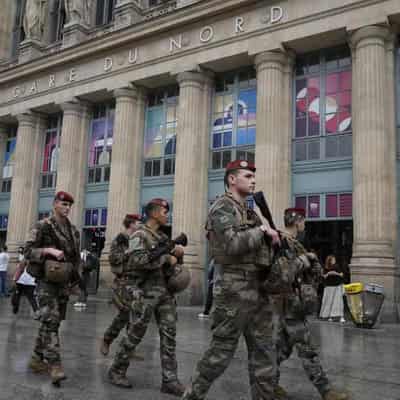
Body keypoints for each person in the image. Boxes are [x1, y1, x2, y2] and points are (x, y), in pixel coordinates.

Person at [182, 160, 280, 400]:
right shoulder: (222, 208)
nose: (253, 180)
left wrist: (276, 240)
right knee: (220, 353)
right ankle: (193, 395)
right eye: (247, 175)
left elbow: (259, 247)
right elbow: (232, 244)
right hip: (233, 289)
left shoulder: (250, 212)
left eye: (253, 176)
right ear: (232, 179)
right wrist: (262, 232)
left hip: (258, 287)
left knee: (264, 353)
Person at [108, 199, 186, 396]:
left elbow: (169, 264)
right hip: (145, 293)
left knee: (169, 335)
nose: (167, 214)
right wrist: (166, 257)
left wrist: (177, 255)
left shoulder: (160, 236)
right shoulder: (139, 235)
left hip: (164, 292)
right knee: (135, 333)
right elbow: (136, 261)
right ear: (153, 213)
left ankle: (170, 380)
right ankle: (117, 370)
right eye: (164, 211)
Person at [272, 208, 348, 400]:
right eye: (303, 221)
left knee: (282, 348)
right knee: (306, 349)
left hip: (293, 303)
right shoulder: (283, 243)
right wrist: (306, 259)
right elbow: (284, 273)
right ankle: (326, 391)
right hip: (290, 303)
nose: (305, 225)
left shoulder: (295, 244)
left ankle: (267, 383)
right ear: (297, 221)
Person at [24, 191, 81, 385]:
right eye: (63, 204)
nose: (66, 208)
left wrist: (75, 282)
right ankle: (55, 365)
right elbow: (27, 251)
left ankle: (36, 358)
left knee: (51, 323)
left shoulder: (73, 230)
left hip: (63, 282)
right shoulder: (43, 225)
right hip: (46, 281)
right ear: (55, 204)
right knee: (51, 319)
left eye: (69, 205)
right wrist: (48, 250)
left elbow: (75, 259)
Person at [100, 214, 144, 361]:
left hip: (137, 282)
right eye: (138, 222)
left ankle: (129, 348)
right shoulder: (120, 239)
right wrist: (128, 252)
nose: (140, 224)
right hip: (123, 282)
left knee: (135, 317)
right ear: (131, 223)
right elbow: (113, 258)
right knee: (124, 315)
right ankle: (107, 339)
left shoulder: (138, 239)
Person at [11, 247, 39, 317]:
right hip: (31, 283)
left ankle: (15, 307)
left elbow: (19, 270)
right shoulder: (37, 261)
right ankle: (36, 312)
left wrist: (14, 280)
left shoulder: (24, 260)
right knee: (31, 298)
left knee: (17, 295)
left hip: (20, 281)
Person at [319, 255, 346, 323]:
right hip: (329, 287)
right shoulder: (326, 268)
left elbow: (342, 275)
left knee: (338, 302)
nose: (334, 260)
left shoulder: (337, 266)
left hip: (337, 286)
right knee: (329, 302)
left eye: (334, 259)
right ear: (330, 260)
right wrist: (328, 273)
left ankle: (340, 316)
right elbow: (323, 276)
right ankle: (330, 316)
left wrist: (335, 273)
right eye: (333, 259)